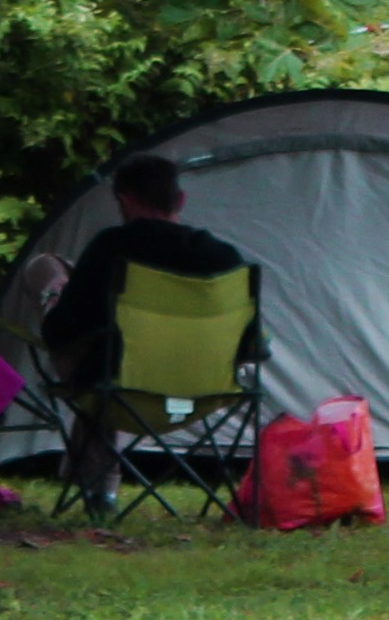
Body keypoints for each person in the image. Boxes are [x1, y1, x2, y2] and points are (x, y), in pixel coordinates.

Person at [29, 155, 257, 508]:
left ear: (127, 200)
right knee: (110, 364)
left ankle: (98, 486)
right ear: (180, 200)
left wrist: (54, 298)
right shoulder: (224, 259)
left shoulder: (111, 248)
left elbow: (61, 332)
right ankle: (99, 487)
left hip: (120, 386)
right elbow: (253, 346)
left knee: (48, 272)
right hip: (205, 389)